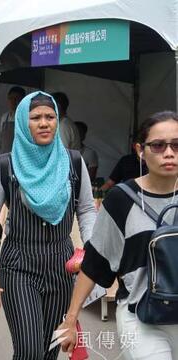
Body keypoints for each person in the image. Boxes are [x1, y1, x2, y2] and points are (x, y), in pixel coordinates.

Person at [0, 91, 96, 359]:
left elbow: (87, 208)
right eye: (35, 118)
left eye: (50, 117)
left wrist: (90, 249)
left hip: (62, 265)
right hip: (19, 266)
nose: (44, 123)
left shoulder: (74, 162)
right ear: (23, 122)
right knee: (29, 351)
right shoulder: (5, 165)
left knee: (49, 350)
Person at [58, 111, 178, 360]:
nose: (169, 152)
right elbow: (94, 262)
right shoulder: (122, 200)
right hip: (141, 316)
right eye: (158, 145)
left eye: (176, 145)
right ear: (140, 150)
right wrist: (71, 319)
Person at [0, 86, 26, 154]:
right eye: (11, 98)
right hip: (5, 155)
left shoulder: (26, 117)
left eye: (16, 98)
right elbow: (1, 139)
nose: (13, 101)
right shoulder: (4, 117)